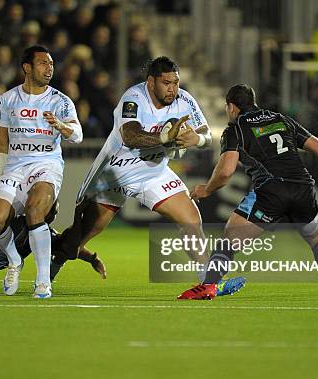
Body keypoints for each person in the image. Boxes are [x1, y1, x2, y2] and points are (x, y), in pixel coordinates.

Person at [59, 56, 246, 296]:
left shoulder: (184, 99)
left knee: (190, 218)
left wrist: (197, 139)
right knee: (80, 237)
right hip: (116, 172)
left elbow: (205, 134)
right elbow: (130, 136)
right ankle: (51, 267)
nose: (173, 89)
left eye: (175, 82)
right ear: (150, 82)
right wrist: (164, 139)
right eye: (166, 83)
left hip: (154, 172)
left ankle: (208, 282)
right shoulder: (134, 98)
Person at [178, 84, 318, 301]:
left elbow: (225, 172)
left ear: (232, 107)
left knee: (229, 239)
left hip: (271, 191)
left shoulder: (235, 130)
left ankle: (208, 286)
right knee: (317, 237)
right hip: (303, 187)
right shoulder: (281, 119)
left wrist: (206, 189)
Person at [0, 45, 82, 299]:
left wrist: (61, 126)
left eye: (52, 64)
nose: (50, 69)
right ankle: (14, 261)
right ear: (27, 67)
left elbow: (77, 135)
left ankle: (43, 282)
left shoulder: (60, 101)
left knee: (36, 210)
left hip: (47, 164)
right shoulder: (8, 99)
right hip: (14, 167)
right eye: (44, 63)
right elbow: (1, 144)